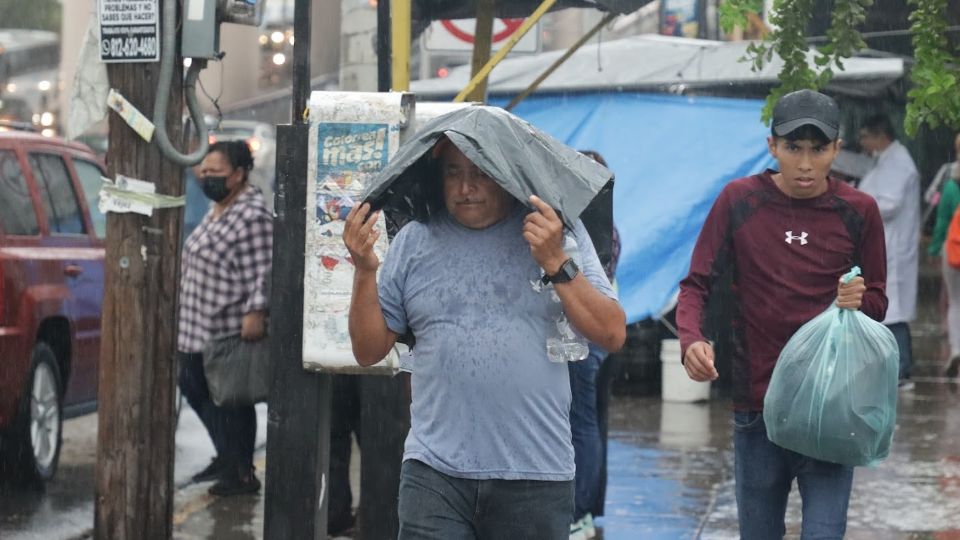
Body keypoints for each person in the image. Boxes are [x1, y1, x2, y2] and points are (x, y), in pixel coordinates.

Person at [343, 137, 626, 539]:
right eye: (453, 174)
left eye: (479, 174)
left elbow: (613, 333)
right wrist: (365, 271)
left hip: (534, 475)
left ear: (507, 177)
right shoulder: (414, 241)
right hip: (434, 472)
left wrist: (555, 261)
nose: (464, 188)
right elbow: (367, 351)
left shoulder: (553, 231)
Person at [677, 89, 888, 539]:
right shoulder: (739, 201)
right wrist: (691, 338)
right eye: (794, 148)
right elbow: (696, 284)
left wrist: (858, 300)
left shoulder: (859, 211)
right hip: (757, 408)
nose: (806, 164)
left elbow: (878, 304)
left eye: (818, 149)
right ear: (772, 147)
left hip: (830, 408)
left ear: (837, 148)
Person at [177, 140, 272, 496]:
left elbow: (265, 269)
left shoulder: (252, 215)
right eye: (203, 172)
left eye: (215, 172)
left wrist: (257, 310)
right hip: (197, 323)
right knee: (195, 386)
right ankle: (230, 457)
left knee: (230, 398)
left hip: (227, 326)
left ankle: (240, 471)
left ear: (238, 174)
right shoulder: (218, 207)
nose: (206, 178)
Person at [568, 150, 620, 540]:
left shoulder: (585, 231)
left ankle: (580, 513)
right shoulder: (607, 228)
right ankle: (588, 512)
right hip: (601, 339)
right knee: (592, 423)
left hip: (585, 335)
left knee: (581, 425)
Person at [857, 114, 920, 389]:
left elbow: (890, 204)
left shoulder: (899, 162)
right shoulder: (886, 159)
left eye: (865, 136)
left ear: (880, 136)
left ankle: (902, 369)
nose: (863, 142)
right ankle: (896, 368)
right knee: (889, 307)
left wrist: (859, 204)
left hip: (894, 245)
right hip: (886, 244)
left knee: (894, 311)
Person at [927, 133, 960, 377]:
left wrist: (934, 248)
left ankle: (957, 347)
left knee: (955, 303)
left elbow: (942, 222)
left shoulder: (951, 185)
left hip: (955, 251)